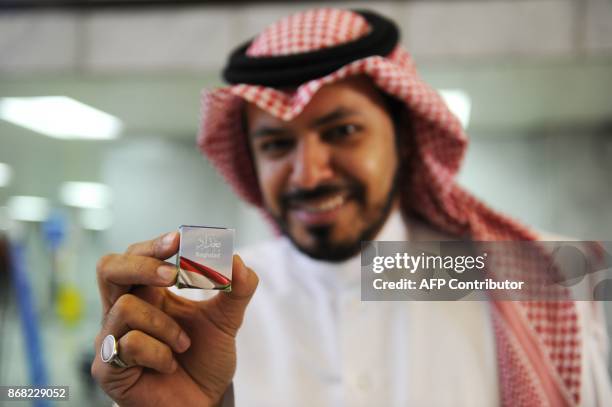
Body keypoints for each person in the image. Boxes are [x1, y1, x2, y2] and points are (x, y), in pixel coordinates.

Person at [91, 8, 611, 407]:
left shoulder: (526, 277)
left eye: (342, 131)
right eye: (276, 144)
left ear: (404, 138)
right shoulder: (200, 300)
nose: (309, 173)